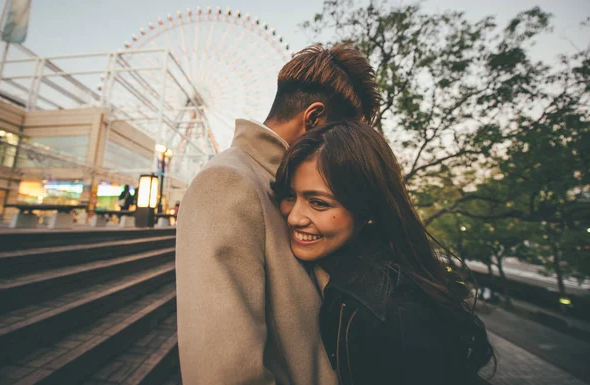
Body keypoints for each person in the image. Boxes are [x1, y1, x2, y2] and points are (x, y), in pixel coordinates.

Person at [175, 43, 381, 385]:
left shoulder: (283, 183)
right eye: (337, 135)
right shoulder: (227, 182)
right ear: (313, 119)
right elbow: (223, 374)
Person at [272, 121, 496, 385]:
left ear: (365, 210)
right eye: (290, 196)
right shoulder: (349, 272)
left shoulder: (390, 311)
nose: (294, 218)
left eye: (318, 203)